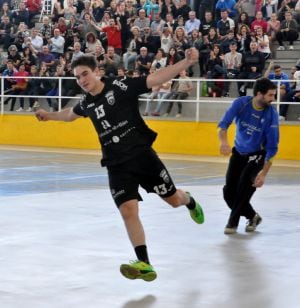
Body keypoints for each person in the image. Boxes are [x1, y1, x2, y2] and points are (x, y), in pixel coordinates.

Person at [35, 49, 205, 282]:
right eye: (77, 77)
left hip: (142, 156)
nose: (82, 80)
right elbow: (69, 115)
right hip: (116, 163)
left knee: (174, 199)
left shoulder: (121, 86)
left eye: (85, 74)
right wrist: (48, 115)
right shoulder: (86, 102)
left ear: (97, 72)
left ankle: (190, 200)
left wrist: (186, 61)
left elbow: (155, 79)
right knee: (128, 210)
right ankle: (144, 262)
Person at [217, 78, 279, 235]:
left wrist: (263, 173)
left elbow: (272, 148)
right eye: (271, 95)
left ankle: (232, 222)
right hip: (238, 152)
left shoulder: (271, 115)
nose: (273, 99)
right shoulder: (241, 103)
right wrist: (223, 142)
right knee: (228, 192)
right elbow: (223, 125)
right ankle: (252, 216)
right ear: (259, 94)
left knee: (245, 185)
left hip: (257, 155)